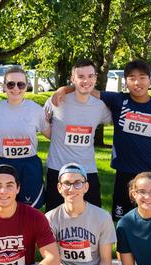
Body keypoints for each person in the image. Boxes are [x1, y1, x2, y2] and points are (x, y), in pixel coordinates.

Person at [52, 60, 151, 265]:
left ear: (150, 80)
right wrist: (62, 89)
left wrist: (146, 156)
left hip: (149, 175)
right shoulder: (119, 101)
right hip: (124, 174)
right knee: (124, 224)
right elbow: (84, 87)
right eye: (132, 78)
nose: (137, 82)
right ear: (125, 81)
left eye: (142, 77)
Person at [43, 60, 112, 211]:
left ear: (95, 78)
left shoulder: (100, 106)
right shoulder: (56, 100)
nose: (86, 80)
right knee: (53, 220)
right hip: (58, 168)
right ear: (72, 79)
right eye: (80, 76)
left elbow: (115, 121)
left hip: (87, 170)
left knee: (93, 217)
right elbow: (43, 125)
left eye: (90, 76)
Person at [0, 67, 50, 209]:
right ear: (4, 86)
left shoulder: (36, 109)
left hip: (29, 165)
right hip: (4, 163)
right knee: (2, 208)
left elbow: (51, 135)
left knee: (31, 209)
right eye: (10, 84)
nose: (16, 88)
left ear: (27, 86)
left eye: (20, 84)